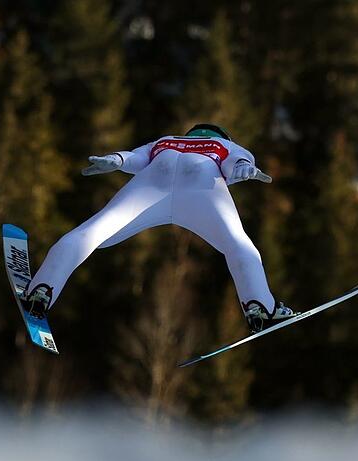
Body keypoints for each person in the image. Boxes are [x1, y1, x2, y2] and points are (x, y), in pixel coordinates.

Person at [21, 123, 299, 333]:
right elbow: (238, 162)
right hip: (201, 186)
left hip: (153, 181)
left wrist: (115, 160)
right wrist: (244, 168)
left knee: (93, 233)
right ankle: (260, 307)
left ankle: (42, 289)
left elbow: (135, 158)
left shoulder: (167, 141)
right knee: (238, 245)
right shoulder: (225, 145)